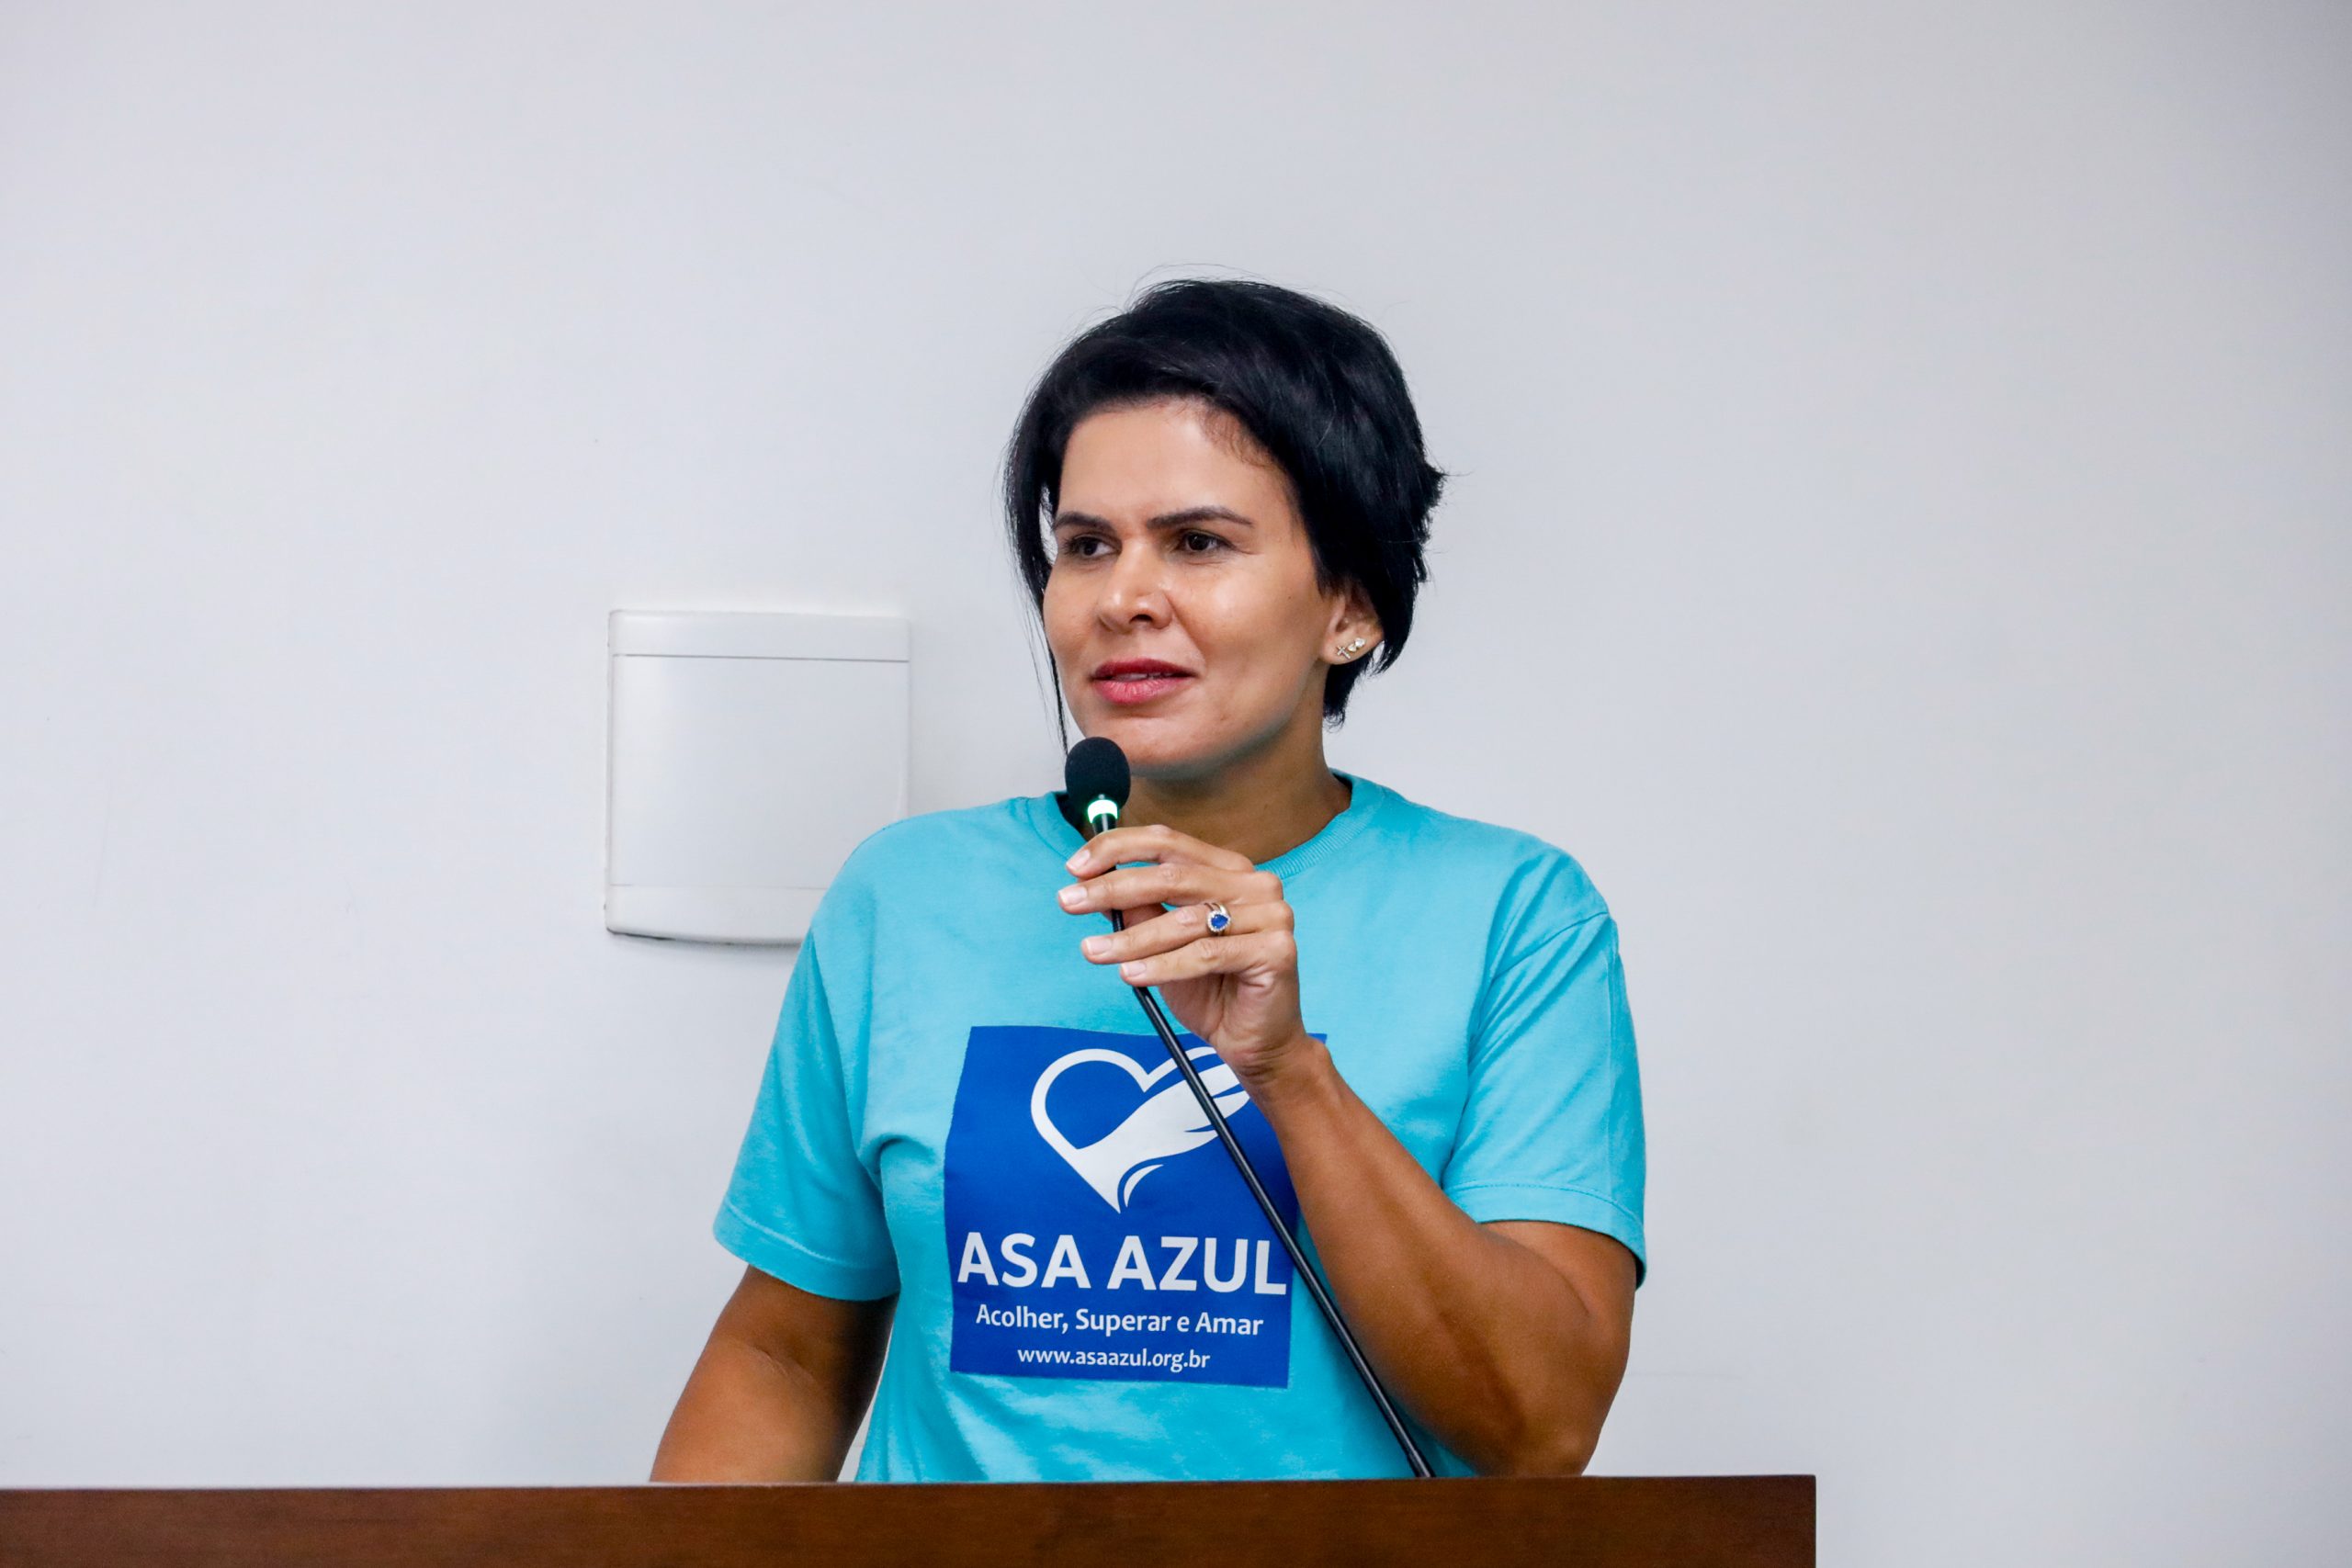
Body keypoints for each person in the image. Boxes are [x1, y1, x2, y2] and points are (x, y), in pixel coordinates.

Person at [650, 277, 1646, 1483]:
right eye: (1086, 547)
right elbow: (785, 1358)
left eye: (1199, 543)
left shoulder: (1512, 916)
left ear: (1350, 605)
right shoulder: (904, 897)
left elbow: (1539, 1431)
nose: (1123, 598)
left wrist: (1287, 1071)